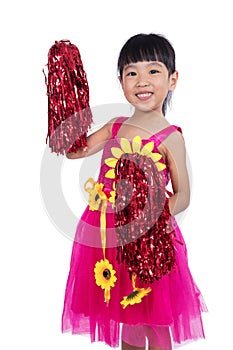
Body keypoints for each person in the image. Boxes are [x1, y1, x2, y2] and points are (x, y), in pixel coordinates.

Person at [61, 33, 207, 350]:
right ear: (121, 81)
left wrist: (157, 224)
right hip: (108, 239)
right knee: (125, 319)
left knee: (154, 322)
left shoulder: (171, 137)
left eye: (153, 71)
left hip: (148, 243)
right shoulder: (114, 126)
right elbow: (75, 151)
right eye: (132, 72)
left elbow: (183, 193)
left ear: (173, 79)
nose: (142, 81)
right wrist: (64, 106)